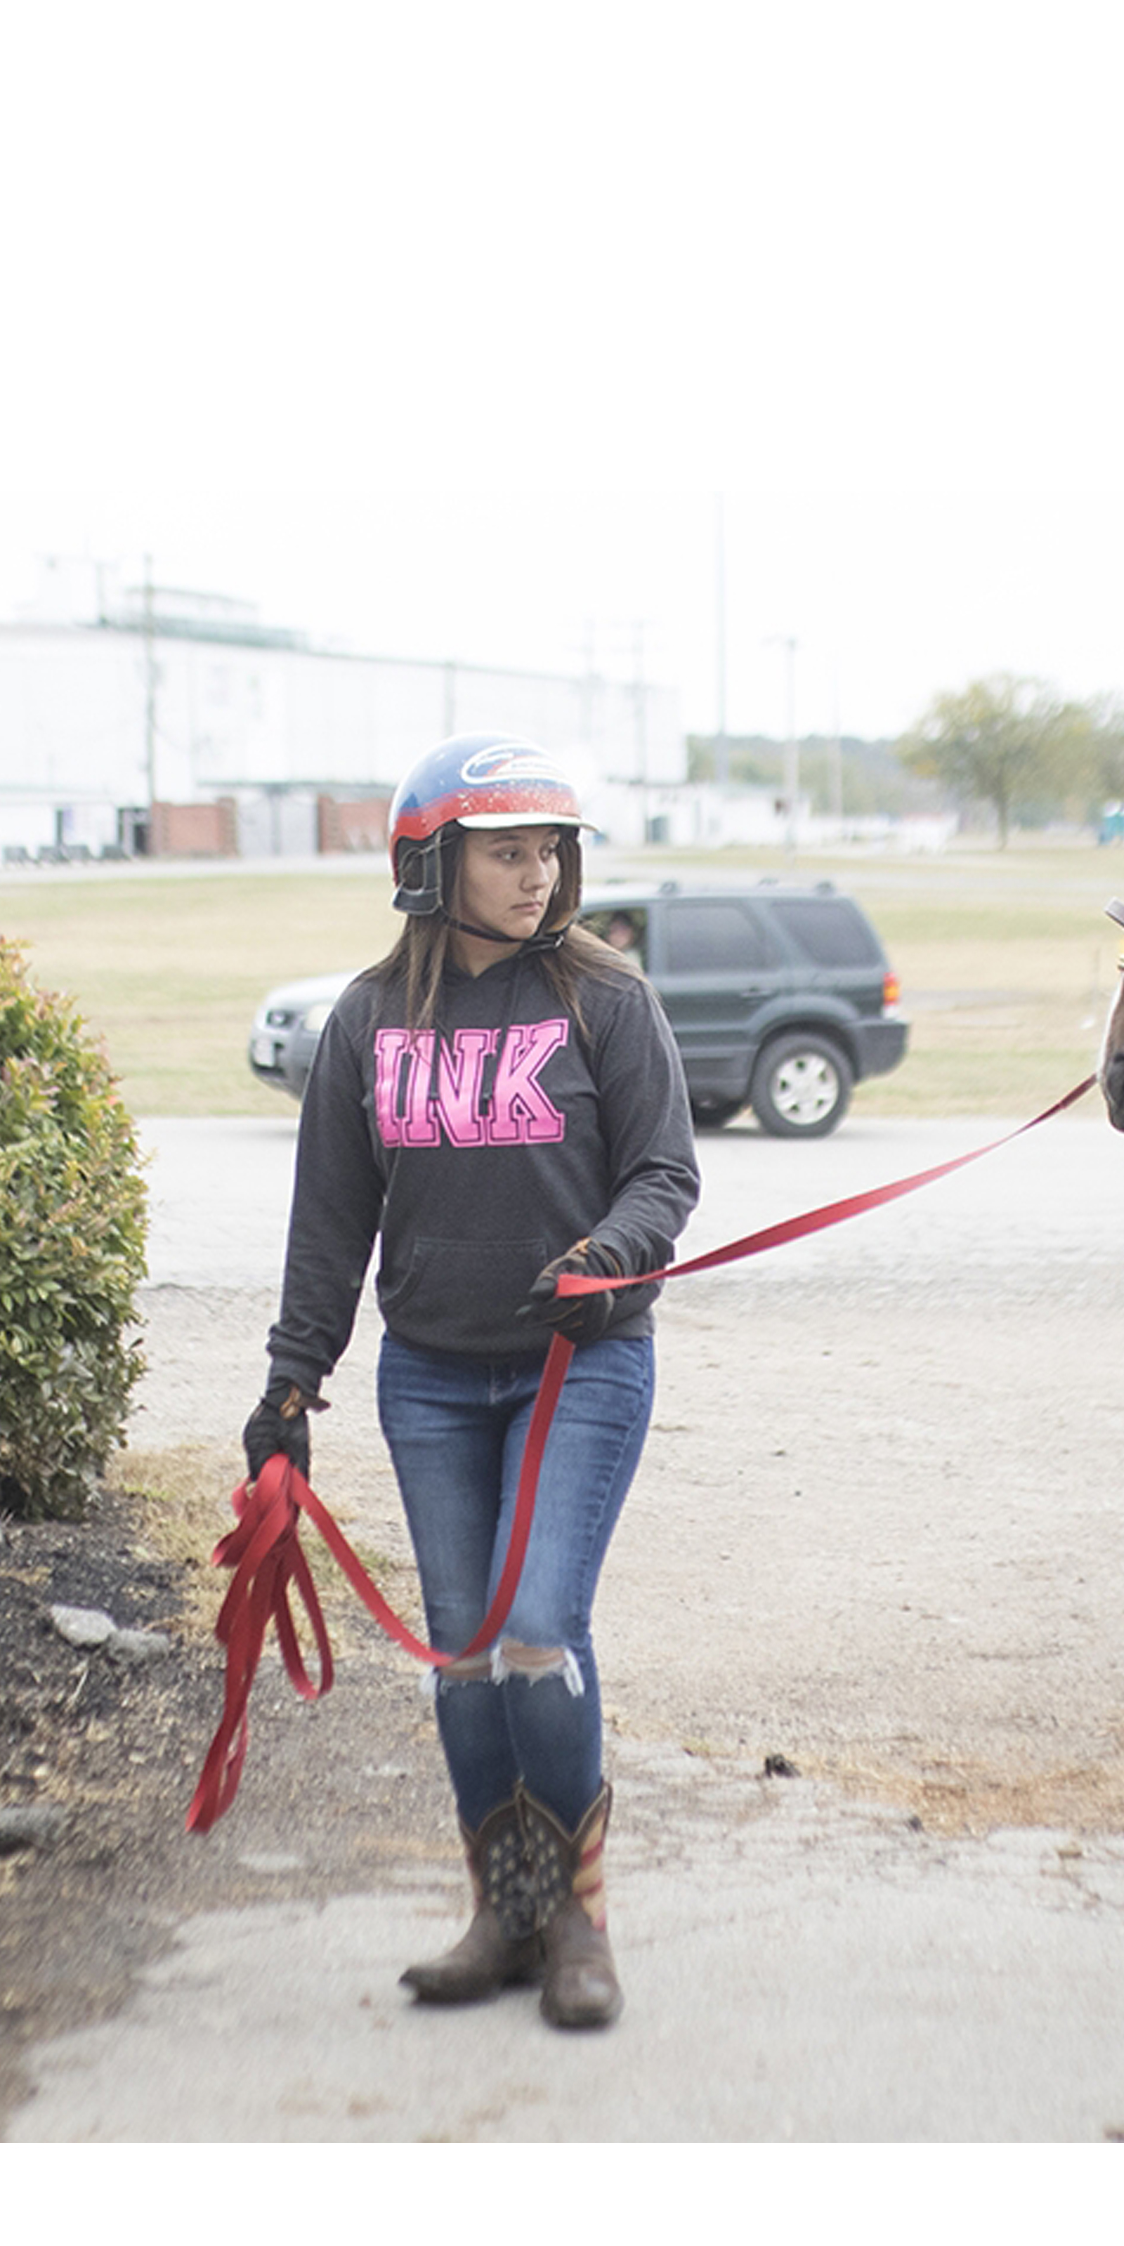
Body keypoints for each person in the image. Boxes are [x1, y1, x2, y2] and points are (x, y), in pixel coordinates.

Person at [250, 736, 700, 2030]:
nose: (538, 873)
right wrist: (288, 1392)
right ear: (428, 864)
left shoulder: (610, 1001)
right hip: (432, 1382)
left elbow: (664, 1177)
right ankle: (501, 1912)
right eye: (507, 850)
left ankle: (578, 1920)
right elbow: (328, 1228)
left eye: (552, 848)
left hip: (584, 1367)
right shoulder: (367, 1022)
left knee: (535, 1635)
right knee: (462, 1659)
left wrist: (610, 1253)